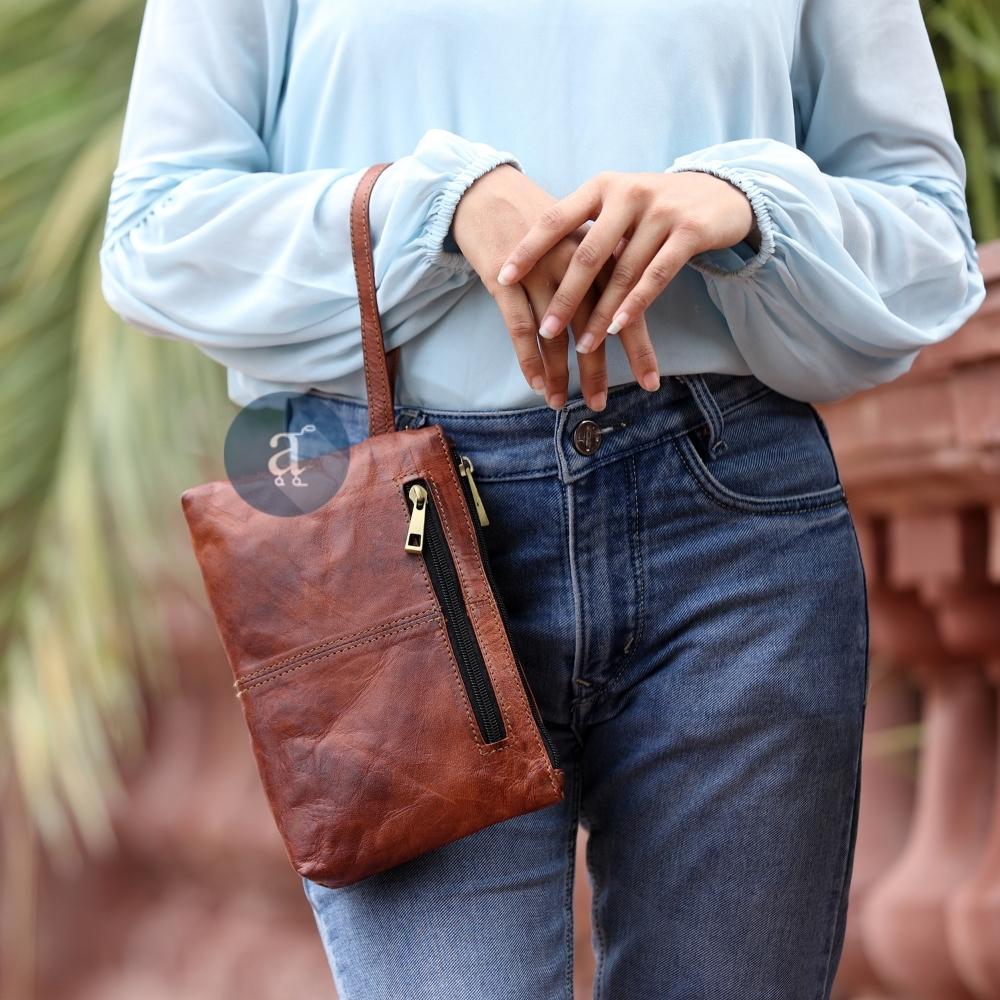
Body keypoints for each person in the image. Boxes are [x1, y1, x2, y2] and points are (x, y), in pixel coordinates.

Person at [99, 1, 985, 997]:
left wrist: (739, 200)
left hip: (729, 526)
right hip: (398, 546)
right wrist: (435, 205)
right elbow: (153, 233)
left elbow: (927, 244)